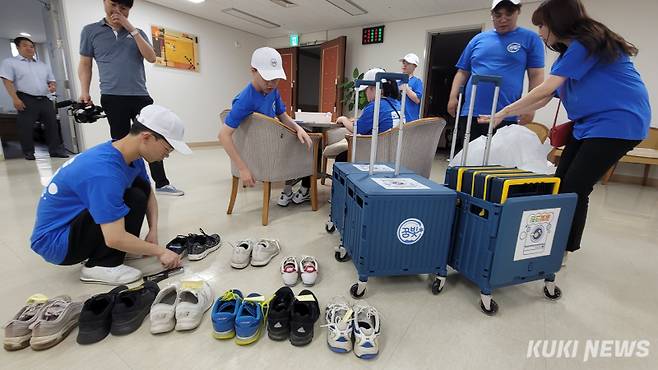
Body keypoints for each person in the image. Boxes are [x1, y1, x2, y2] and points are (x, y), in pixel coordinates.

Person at [481, 0, 651, 254]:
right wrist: (509, 113)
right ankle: (553, 241)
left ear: (557, 23)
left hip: (618, 123)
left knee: (576, 186)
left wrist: (504, 112)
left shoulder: (584, 45)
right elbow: (547, 95)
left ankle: (563, 249)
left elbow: (546, 88)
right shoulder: (572, 52)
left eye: (542, 25)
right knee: (561, 183)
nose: (540, 32)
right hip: (590, 124)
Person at [30, 105, 189, 285]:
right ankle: (100, 265)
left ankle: (110, 251)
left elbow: (148, 193)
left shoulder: (127, 153)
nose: (166, 156)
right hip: (57, 243)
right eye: (167, 149)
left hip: (73, 225)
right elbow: (115, 237)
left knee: (138, 191)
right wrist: (160, 251)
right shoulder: (104, 172)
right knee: (129, 201)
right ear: (147, 137)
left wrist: (153, 232)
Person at [78, 0, 184, 196]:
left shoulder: (138, 32)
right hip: (112, 96)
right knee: (121, 142)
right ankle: (127, 184)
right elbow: (85, 65)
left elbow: (151, 57)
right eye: (113, 5)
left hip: (140, 96)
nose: (117, 11)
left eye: (124, 8)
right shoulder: (90, 31)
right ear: (104, 2)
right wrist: (85, 91)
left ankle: (161, 184)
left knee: (155, 137)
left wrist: (130, 28)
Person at [219, 47, 313, 207]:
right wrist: (242, 169)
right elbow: (223, 135)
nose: (271, 84)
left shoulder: (273, 91)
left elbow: (283, 116)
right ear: (253, 71)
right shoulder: (244, 100)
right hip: (261, 152)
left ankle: (288, 190)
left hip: (271, 144)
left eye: (275, 79)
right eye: (266, 79)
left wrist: (298, 128)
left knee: (302, 138)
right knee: (311, 147)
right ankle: (301, 190)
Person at [448, 0, 545, 153]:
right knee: (466, 161)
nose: (503, 19)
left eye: (508, 14)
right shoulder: (478, 39)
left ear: (518, 12)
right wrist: (453, 97)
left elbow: (536, 75)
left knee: (497, 163)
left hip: (507, 113)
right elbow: (463, 71)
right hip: (472, 112)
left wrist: (530, 107)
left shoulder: (530, 39)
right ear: (491, 14)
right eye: (498, 15)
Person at [0, 37, 68, 160]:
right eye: (25, 45)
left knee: (52, 125)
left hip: (45, 98)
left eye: (31, 46)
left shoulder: (43, 65)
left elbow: (51, 80)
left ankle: (55, 150)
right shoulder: (10, 63)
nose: (29, 48)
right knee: (25, 126)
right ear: (18, 47)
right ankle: (28, 152)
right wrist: (15, 99)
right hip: (25, 98)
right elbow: (7, 81)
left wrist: (52, 86)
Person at [334, 68, 401, 162]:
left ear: (373, 88)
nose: (365, 93)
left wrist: (344, 119)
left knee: (341, 157)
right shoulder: (396, 103)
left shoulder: (375, 105)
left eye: (366, 90)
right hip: (393, 153)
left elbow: (356, 129)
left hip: (377, 154)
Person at [399, 53, 423, 122]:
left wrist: (406, 88)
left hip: (410, 120)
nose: (404, 65)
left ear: (414, 66)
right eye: (403, 62)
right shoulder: (397, 81)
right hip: (398, 119)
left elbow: (417, 100)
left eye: (408, 63)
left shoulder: (417, 81)